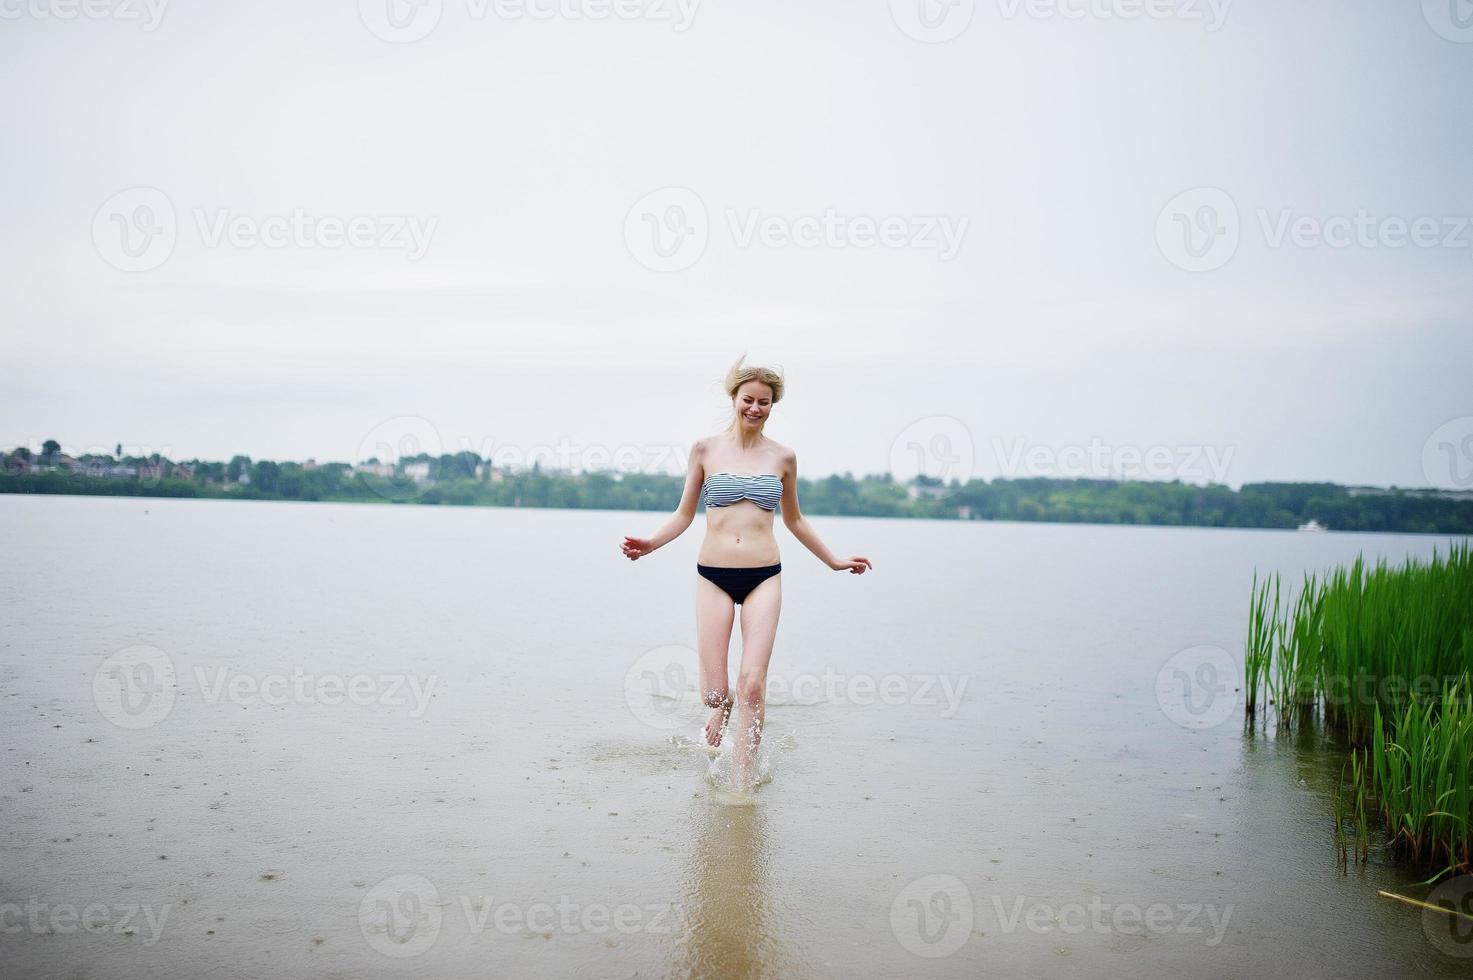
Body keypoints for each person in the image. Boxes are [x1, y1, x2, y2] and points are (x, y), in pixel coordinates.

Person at [620, 357, 873, 788]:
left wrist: (833, 560)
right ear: (734, 398)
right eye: (749, 400)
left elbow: (794, 520)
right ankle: (722, 707)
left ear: (773, 406)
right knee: (715, 693)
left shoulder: (784, 457)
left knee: (753, 684)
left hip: (764, 577)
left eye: (765, 403)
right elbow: (684, 515)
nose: (756, 409)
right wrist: (649, 544)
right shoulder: (704, 450)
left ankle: (741, 782)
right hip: (713, 576)